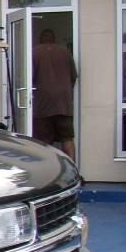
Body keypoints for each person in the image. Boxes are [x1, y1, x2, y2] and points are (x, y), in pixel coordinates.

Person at [31, 28, 78, 160]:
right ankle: (73, 170)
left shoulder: (34, 53)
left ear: (41, 39)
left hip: (42, 105)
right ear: (54, 39)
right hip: (64, 105)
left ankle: (47, 172)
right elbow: (73, 77)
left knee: (43, 142)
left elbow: (28, 78)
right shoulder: (66, 53)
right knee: (67, 138)